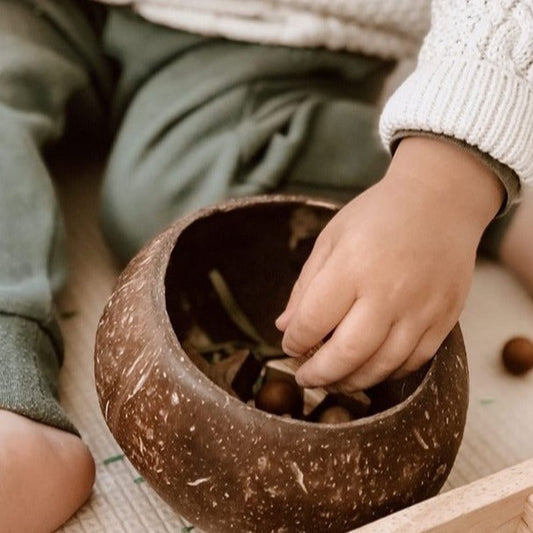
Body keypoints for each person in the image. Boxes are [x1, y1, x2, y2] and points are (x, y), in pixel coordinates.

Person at [0, 0, 531, 530]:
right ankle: (7, 396)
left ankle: (485, 189)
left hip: (265, 32)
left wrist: (446, 183)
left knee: (172, 202)